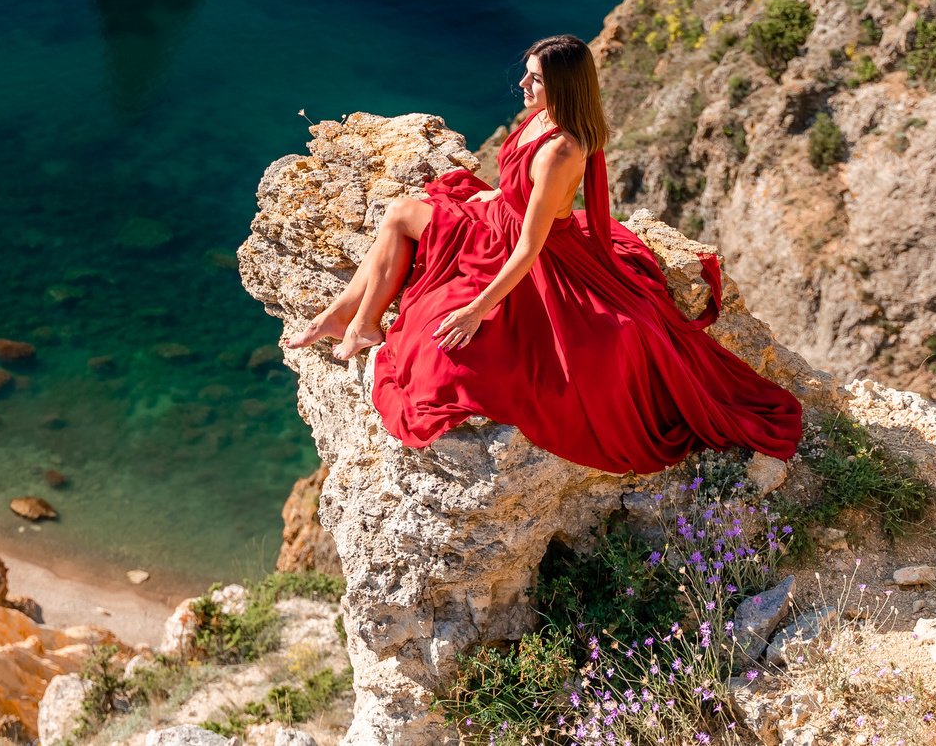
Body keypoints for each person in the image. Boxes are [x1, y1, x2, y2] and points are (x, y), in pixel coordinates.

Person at [281, 34, 801, 468]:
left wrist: (477, 307)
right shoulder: (539, 117)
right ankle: (349, 315)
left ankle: (356, 319)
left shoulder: (561, 150)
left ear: (563, 86)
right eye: (527, 74)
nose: (524, 84)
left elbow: (531, 245)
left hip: (527, 249)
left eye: (536, 78)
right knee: (400, 211)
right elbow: (514, 188)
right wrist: (487, 195)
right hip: (500, 216)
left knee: (414, 259)